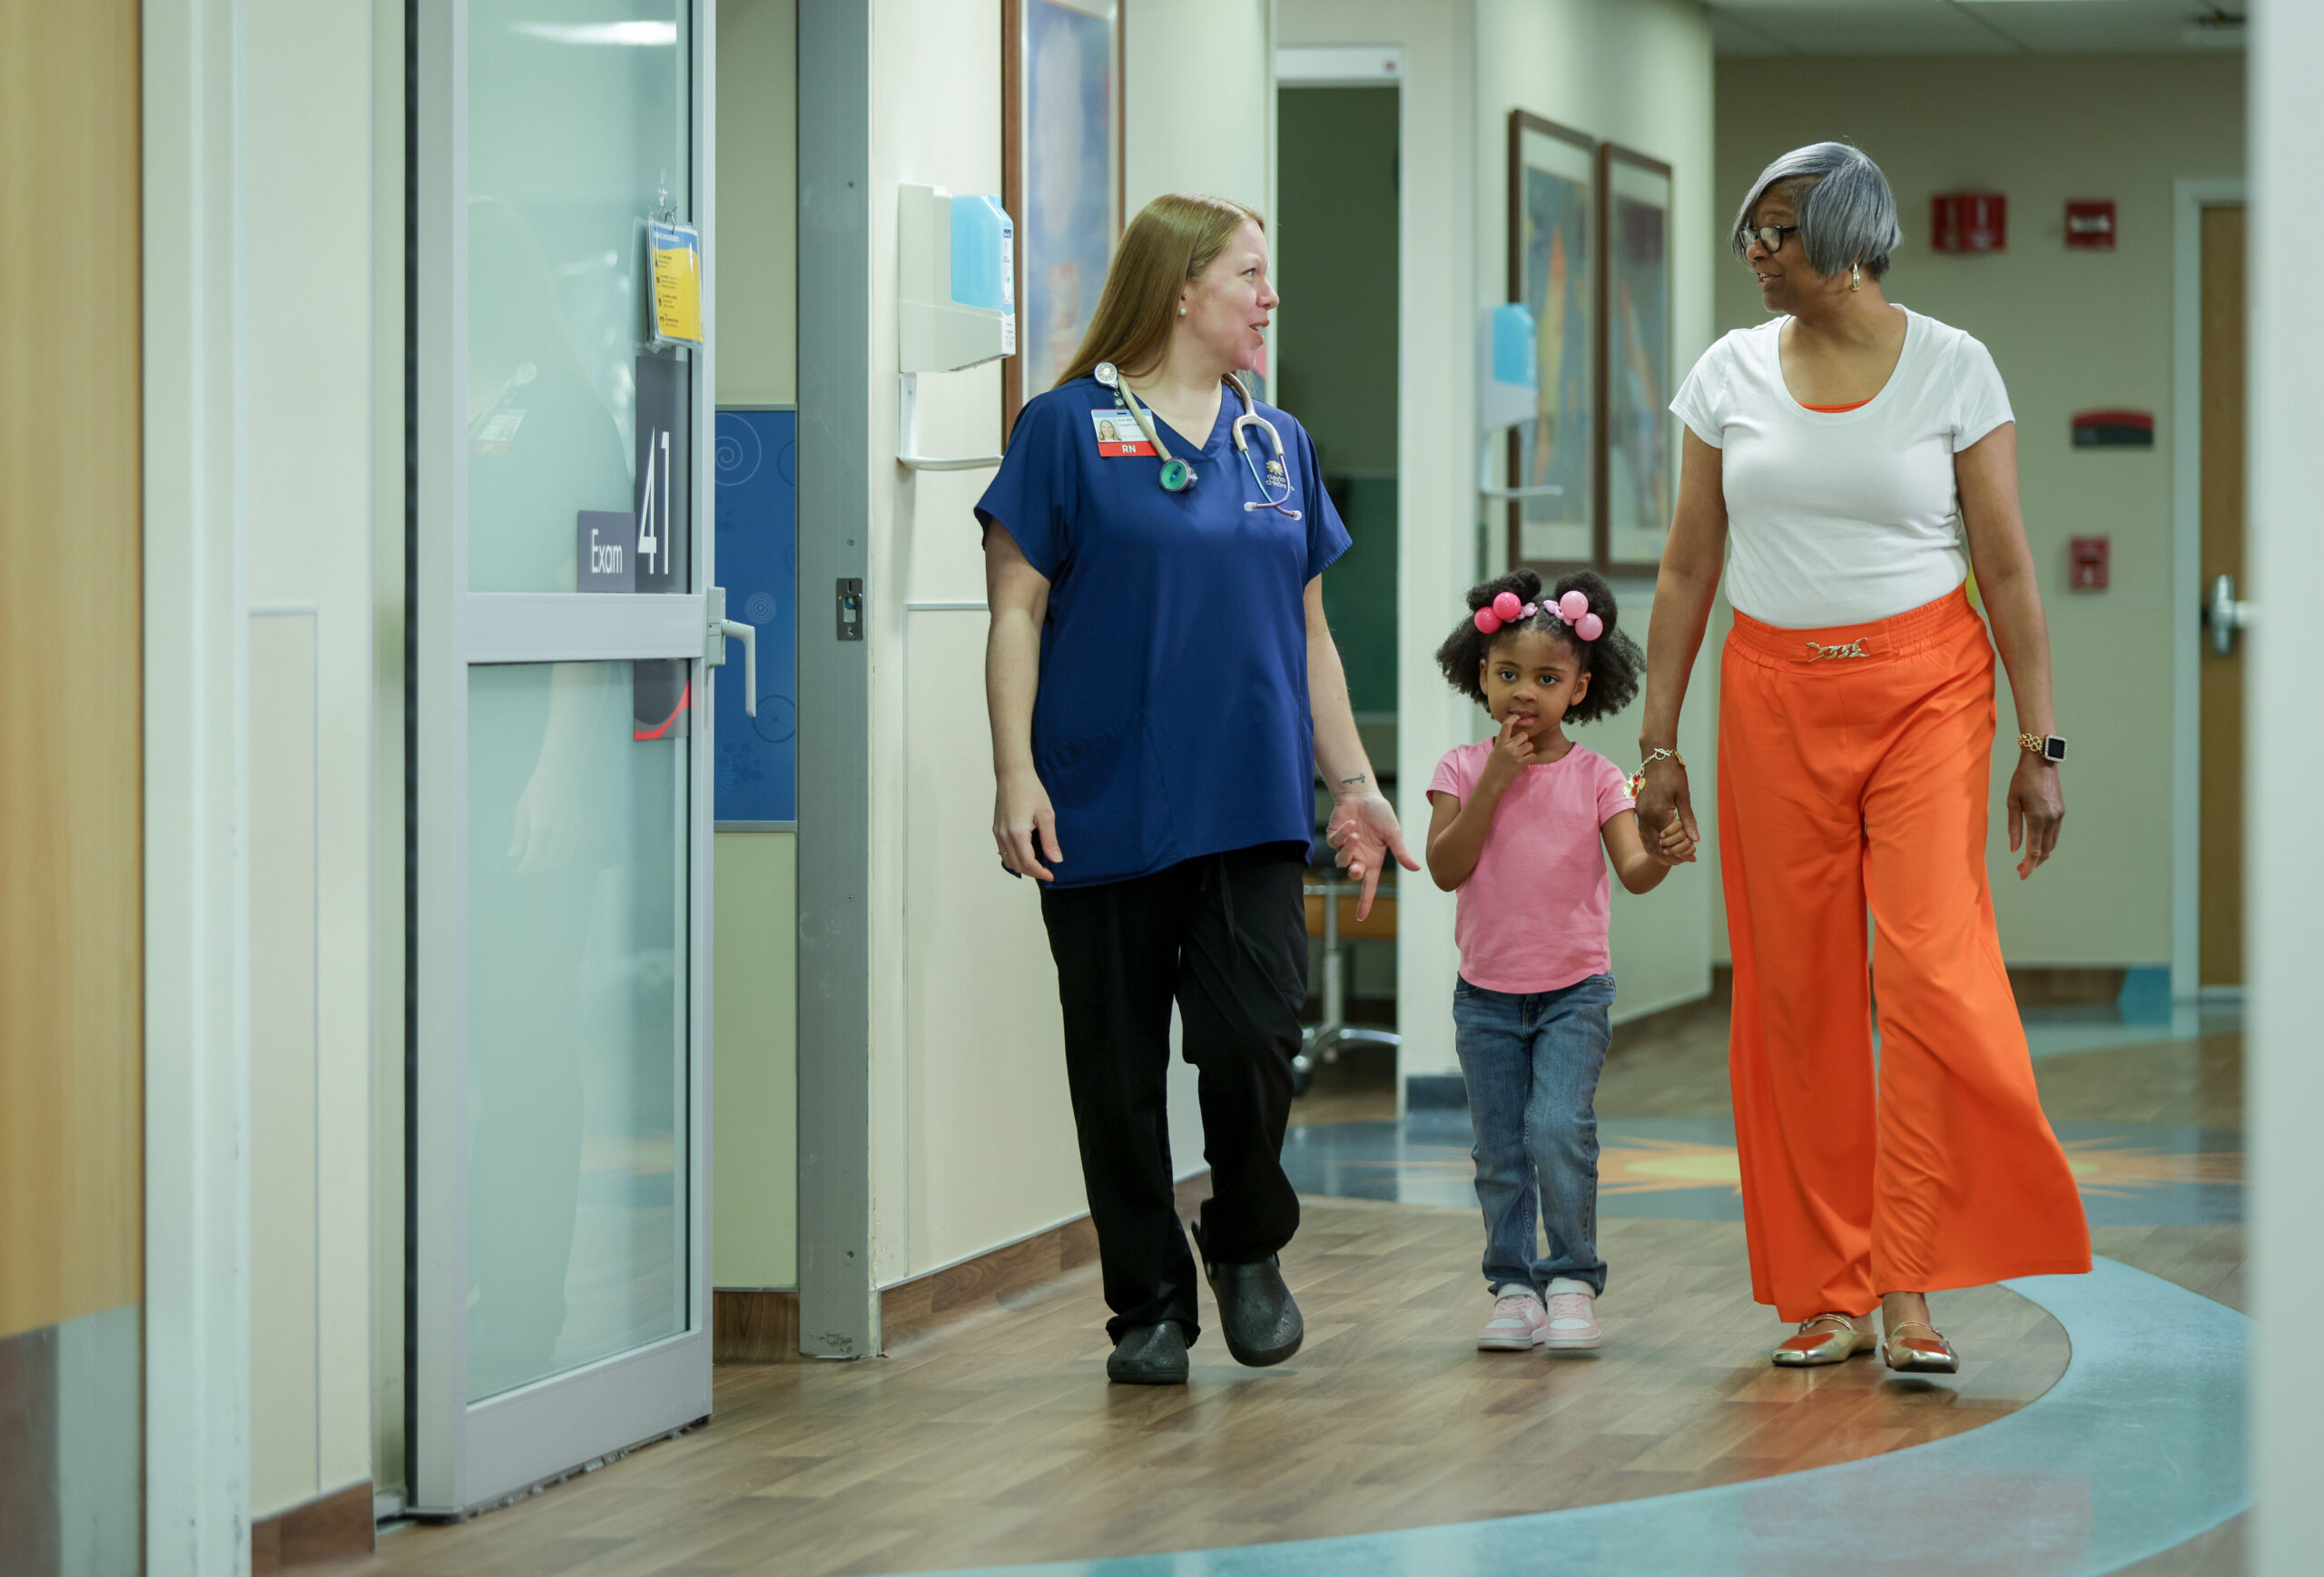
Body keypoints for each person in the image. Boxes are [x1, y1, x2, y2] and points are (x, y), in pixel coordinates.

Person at [1634, 143, 2090, 1374]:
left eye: (1779, 231)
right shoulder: (1727, 373)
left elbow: (2005, 570)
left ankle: (1915, 1285)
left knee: (1932, 977)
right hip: (1773, 694)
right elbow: (1687, 566)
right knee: (1797, 995)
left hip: (1930, 693)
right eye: (1753, 232)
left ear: (1850, 238)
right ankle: (1831, 1287)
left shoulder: (1954, 366)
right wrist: (1657, 743)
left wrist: (2040, 744)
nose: (1757, 253)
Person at [976, 192, 1418, 1385]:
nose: (1270, 297)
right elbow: (1014, 611)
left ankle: (1246, 1245)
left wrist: (1356, 785)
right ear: (1180, 290)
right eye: (1249, 275)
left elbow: (1312, 636)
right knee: (1115, 1075)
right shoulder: (1064, 430)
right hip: (1099, 798)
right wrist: (1014, 772)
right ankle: (1148, 1308)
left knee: (1254, 1038)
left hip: (1250, 802)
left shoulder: (1278, 445)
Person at [1424, 570, 1684, 1355]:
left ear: (1580, 687)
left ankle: (1570, 1276)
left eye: (1547, 677)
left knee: (1557, 1127)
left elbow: (1634, 870)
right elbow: (1445, 866)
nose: (1524, 693)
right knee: (1498, 1145)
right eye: (1508, 674)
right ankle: (1513, 1285)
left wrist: (1665, 850)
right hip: (1487, 999)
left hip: (1574, 993)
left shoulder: (1599, 776)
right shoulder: (1461, 770)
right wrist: (1498, 780)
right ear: (1480, 676)